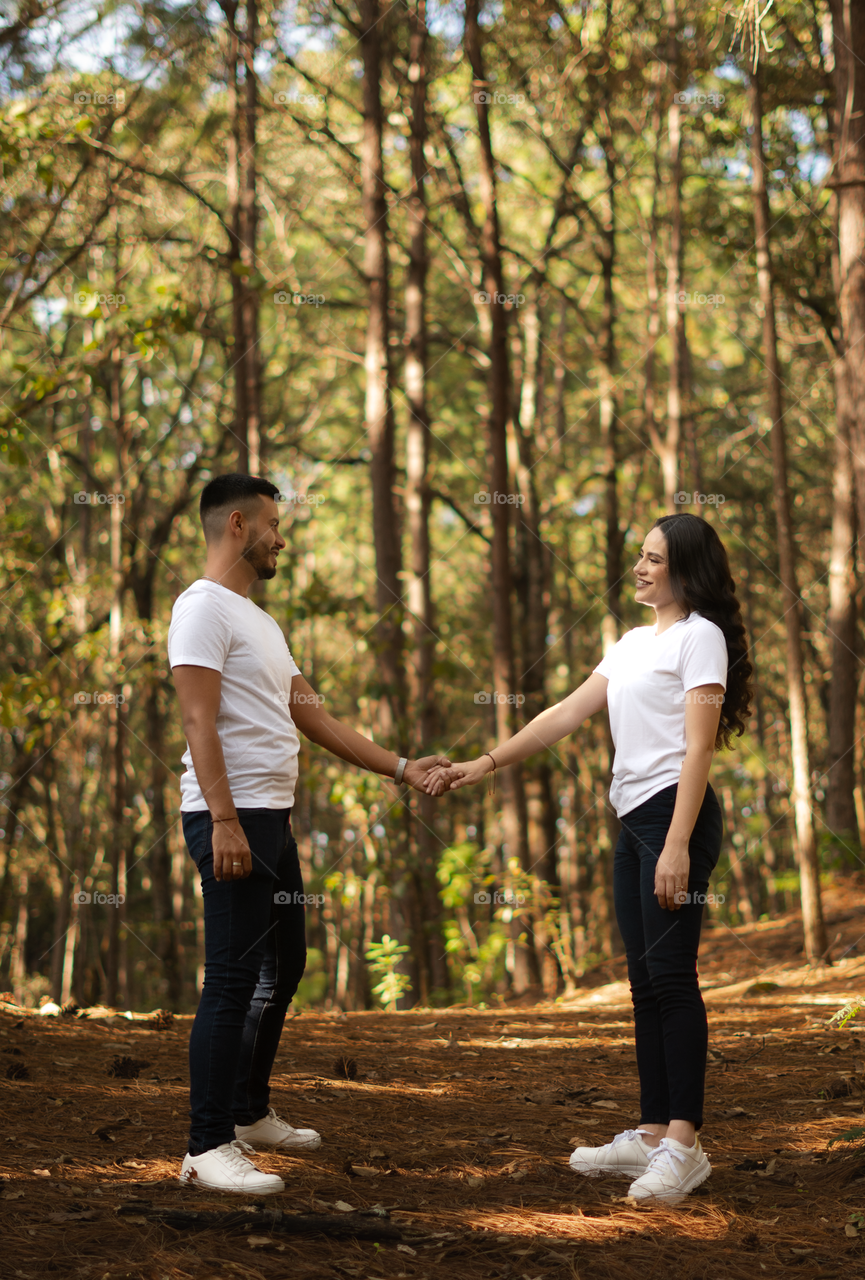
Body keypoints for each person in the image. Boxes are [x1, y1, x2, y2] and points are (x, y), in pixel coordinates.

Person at [426, 513, 752, 1204]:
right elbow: (562, 716)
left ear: (686, 570)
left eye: (654, 558)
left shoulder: (703, 639)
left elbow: (698, 748)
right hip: (631, 819)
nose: (639, 566)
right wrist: (481, 765)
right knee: (642, 984)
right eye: (640, 553)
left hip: (674, 818)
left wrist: (675, 846)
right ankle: (652, 1131)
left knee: (671, 978)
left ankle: (684, 1147)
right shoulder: (631, 644)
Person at [168, 474, 448, 1195]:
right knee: (230, 980)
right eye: (271, 525)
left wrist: (405, 768)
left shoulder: (260, 621)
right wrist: (225, 820)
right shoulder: (201, 609)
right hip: (231, 817)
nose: (281, 537)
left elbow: (313, 715)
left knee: (282, 966)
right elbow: (198, 722)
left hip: (273, 818)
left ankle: (248, 1110)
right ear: (237, 525)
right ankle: (207, 1145)